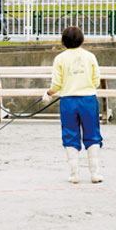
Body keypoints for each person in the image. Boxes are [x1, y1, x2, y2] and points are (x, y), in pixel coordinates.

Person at [42, 26, 103, 184]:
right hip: (88, 99)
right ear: (82, 39)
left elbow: (56, 84)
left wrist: (48, 93)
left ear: (63, 41)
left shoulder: (60, 59)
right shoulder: (90, 56)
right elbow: (96, 81)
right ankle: (94, 173)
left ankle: (74, 174)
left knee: (70, 134)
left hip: (68, 100)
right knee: (92, 134)